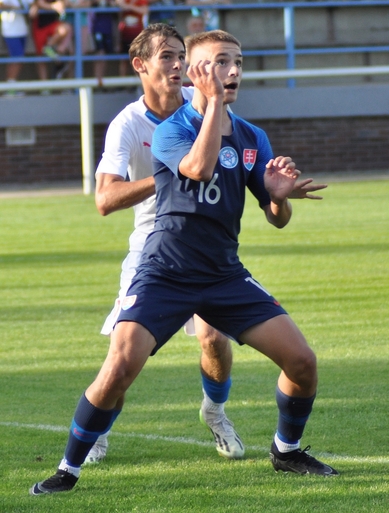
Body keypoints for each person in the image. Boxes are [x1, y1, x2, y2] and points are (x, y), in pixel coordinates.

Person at [30, 26, 337, 495]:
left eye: (237, 61)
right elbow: (197, 167)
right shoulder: (172, 128)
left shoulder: (253, 136)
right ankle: (68, 470)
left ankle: (286, 450)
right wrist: (212, 105)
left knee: (302, 362)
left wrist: (278, 198)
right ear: (198, 72)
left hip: (223, 274)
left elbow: (277, 219)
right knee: (120, 366)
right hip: (165, 271)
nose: (231, 71)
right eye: (218, 62)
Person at [30, 0, 72, 81]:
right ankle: (44, 85)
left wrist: (62, 3)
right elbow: (40, 2)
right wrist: (53, 6)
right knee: (40, 57)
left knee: (66, 28)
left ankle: (49, 46)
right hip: (39, 25)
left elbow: (60, 1)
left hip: (53, 24)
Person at [0, 0, 33, 84]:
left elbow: (32, 2)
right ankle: (11, 85)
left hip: (22, 30)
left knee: (19, 58)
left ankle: (12, 83)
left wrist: (34, 7)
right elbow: (1, 3)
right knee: (16, 57)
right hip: (11, 31)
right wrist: (13, 7)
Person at [87, 0, 116, 82]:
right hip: (94, 23)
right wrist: (95, 0)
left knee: (106, 51)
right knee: (99, 52)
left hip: (107, 22)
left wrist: (111, 2)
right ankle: (97, 80)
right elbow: (86, 2)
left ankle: (102, 79)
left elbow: (113, 0)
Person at [116, 0, 148, 75]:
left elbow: (144, 10)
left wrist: (130, 7)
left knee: (138, 58)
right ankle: (122, 82)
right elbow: (120, 7)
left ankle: (138, 82)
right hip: (125, 33)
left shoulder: (141, 0)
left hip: (137, 34)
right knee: (124, 59)